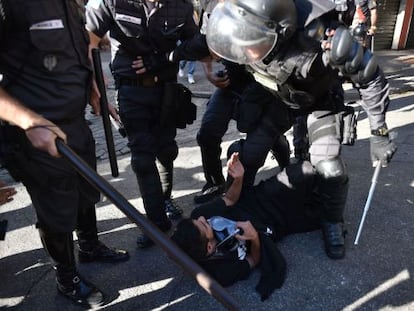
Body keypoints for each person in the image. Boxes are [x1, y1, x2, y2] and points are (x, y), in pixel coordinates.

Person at [204, 0, 397, 260]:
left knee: (329, 168)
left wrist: (379, 131)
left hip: (319, 101)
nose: (246, 47)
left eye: (253, 41)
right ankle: (236, 209)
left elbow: (370, 76)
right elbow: (204, 45)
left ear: (280, 32)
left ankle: (332, 222)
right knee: (248, 156)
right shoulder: (244, 24)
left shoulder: (322, 38)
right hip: (277, 99)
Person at [0, 1, 130, 307]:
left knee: (86, 191)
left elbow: (70, 56)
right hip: (35, 132)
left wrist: (92, 88)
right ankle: (67, 277)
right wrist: (28, 122)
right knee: (56, 209)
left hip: (74, 123)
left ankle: (89, 246)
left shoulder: (71, 4)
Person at [85, 0, 206, 248]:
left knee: (167, 150)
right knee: (142, 158)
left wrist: (165, 58)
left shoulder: (181, 6)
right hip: (131, 91)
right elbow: (90, 40)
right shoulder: (111, 2)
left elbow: (198, 44)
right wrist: (95, 87)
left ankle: (165, 198)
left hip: (167, 92)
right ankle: (156, 223)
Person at [172, 152, 322, 300]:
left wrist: (238, 178)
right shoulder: (222, 271)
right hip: (275, 225)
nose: (203, 219)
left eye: (200, 220)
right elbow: (252, 260)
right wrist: (254, 238)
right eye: (204, 225)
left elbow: (230, 199)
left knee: (303, 171)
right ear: (209, 248)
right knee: (321, 214)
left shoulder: (199, 214)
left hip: (259, 201)